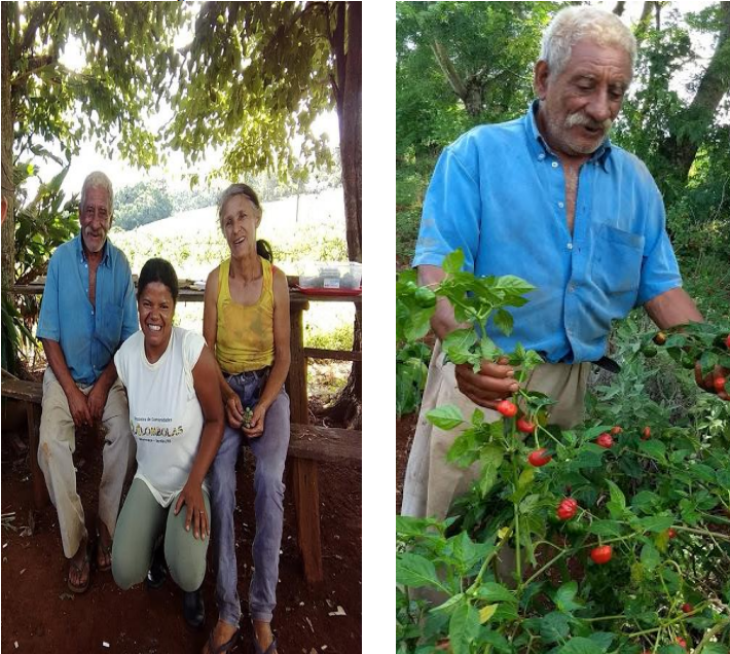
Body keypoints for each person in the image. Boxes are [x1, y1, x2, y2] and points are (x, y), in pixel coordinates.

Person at [402, 6, 729, 524]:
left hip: (569, 395)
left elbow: (662, 288)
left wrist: (714, 354)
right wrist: (465, 349)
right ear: (543, 77)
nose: (600, 108)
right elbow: (438, 276)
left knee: (538, 544)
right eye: (584, 85)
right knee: (452, 553)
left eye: (616, 92)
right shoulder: (475, 157)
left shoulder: (636, 183)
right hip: (483, 382)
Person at [36, 171, 138, 592]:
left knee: (128, 434)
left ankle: (107, 524)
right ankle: (76, 541)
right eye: (89, 212)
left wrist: (98, 389)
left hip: (106, 380)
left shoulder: (122, 267)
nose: (95, 221)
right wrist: (74, 392)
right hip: (63, 378)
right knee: (49, 446)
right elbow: (49, 336)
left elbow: (130, 340)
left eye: (103, 213)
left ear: (111, 219)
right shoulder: (60, 261)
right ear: (80, 215)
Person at [202, 184, 291, 654]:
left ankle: (262, 612)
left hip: (269, 394)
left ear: (257, 219)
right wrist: (228, 397)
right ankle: (228, 611)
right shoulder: (216, 282)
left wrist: (261, 405)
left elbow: (283, 359)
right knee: (219, 480)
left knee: (270, 482)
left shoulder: (275, 282)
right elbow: (207, 355)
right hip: (227, 391)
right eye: (227, 222)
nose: (235, 228)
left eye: (242, 218)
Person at [111, 258, 224, 625]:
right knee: (124, 570)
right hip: (150, 478)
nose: (154, 314)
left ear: (175, 306)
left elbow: (216, 419)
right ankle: (158, 542)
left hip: (188, 482)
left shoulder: (191, 351)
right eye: (147, 303)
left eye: (163, 305)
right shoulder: (127, 357)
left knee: (188, 571)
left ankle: (190, 589)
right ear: (137, 304)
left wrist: (194, 483)